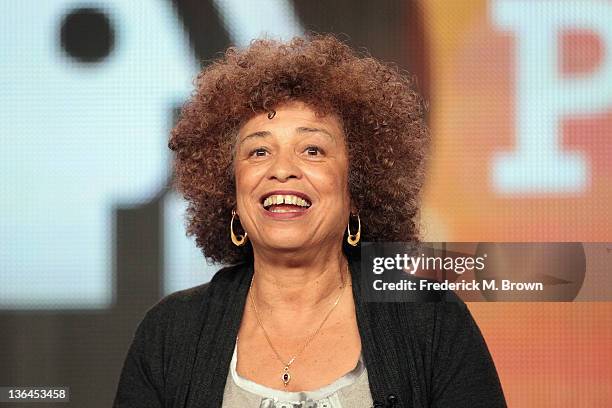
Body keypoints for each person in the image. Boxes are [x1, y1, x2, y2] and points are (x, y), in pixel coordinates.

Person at [113, 34, 506, 408]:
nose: (282, 170)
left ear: (359, 189)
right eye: (259, 151)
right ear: (230, 193)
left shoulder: (432, 321)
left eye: (313, 150)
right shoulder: (170, 333)